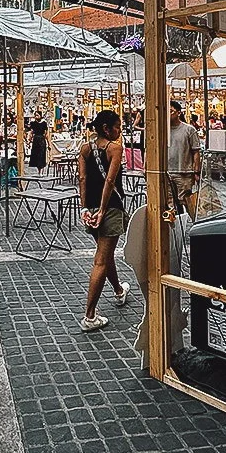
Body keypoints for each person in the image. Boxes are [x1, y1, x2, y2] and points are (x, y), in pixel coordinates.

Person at [78, 110, 130, 332]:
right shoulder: (114, 148)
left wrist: (84, 208)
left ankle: (118, 290)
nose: (119, 131)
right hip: (108, 209)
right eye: (117, 127)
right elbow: (110, 181)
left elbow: (82, 178)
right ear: (107, 128)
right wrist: (101, 209)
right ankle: (90, 316)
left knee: (105, 253)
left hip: (90, 209)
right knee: (101, 259)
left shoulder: (85, 149)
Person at [167, 101, 202, 215]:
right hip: (167, 172)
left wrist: (196, 171)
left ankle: (194, 225)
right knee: (170, 203)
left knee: (186, 201)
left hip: (184, 172)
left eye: (171, 111)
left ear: (178, 112)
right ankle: (175, 229)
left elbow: (196, 151)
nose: (168, 113)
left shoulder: (189, 129)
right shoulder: (162, 130)